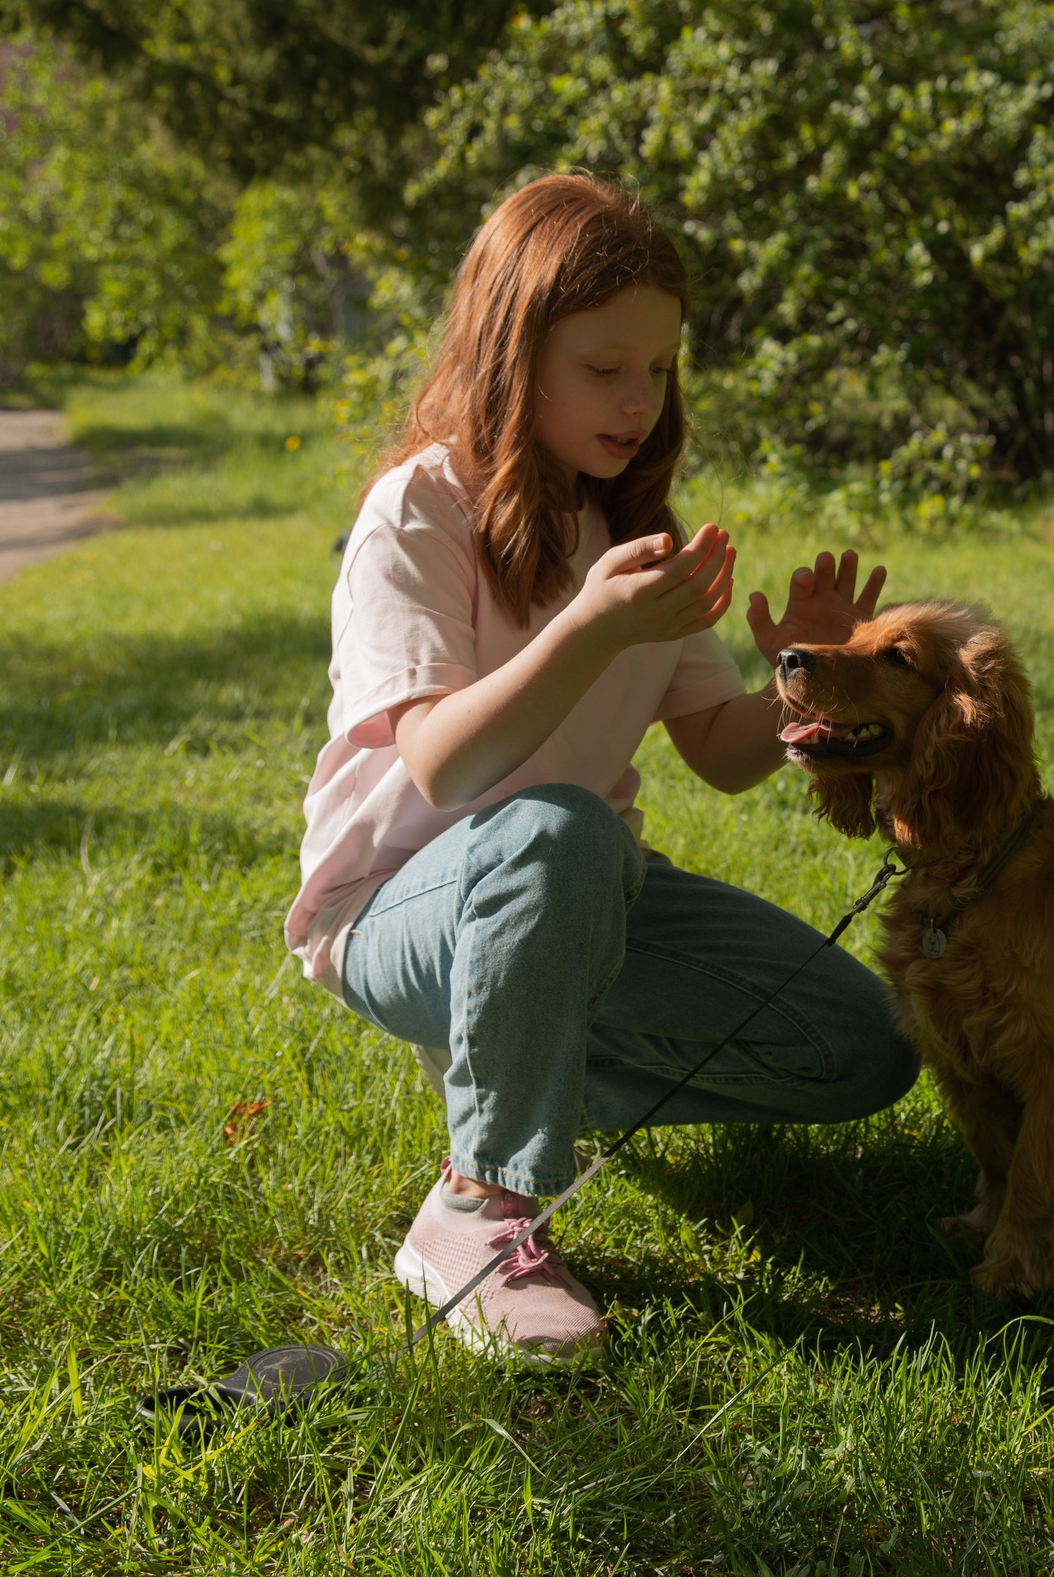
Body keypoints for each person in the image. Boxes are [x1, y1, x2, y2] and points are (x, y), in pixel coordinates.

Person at [286, 172, 918, 1359]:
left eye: (662, 368)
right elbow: (438, 759)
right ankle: (479, 1206)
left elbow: (720, 756)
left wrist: (807, 687)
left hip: (580, 894)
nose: (640, 399)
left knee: (868, 1040)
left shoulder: (630, 525)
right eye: (604, 367)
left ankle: (529, 1056)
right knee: (559, 826)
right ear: (511, 354)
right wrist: (586, 626)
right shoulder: (419, 509)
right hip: (397, 909)